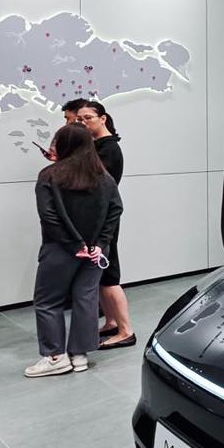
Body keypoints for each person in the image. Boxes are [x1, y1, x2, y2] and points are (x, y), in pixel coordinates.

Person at [27, 124, 123, 377]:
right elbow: (115, 210)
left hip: (59, 249)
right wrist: (99, 245)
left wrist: (74, 246)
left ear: (64, 145)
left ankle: (55, 356)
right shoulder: (104, 177)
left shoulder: (49, 175)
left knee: (48, 301)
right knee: (86, 299)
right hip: (95, 253)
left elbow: (49, 217)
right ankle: (79, 355)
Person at [76, 101, 134, 348]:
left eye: (87, 118)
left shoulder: (109, 149)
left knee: (110, 276)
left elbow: (94, 184)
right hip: (97, 218)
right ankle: (111, 322)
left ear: (103, 119)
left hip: (104, 220)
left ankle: (125, 330)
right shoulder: (95, 146)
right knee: (101, 275)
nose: (82, 123)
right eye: (79, 119)